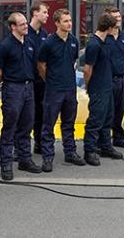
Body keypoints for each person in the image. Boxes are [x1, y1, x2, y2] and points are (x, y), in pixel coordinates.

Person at [0, 12, 43, 180]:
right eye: (21, 24)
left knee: (27, 126)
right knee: (10, 127)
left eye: (26, 23)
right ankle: (6, 163)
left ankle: (25, 159)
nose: (26, 26)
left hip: (29, 88)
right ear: (13, 27)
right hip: (13, 89)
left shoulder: (29, 42)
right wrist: (9, 80)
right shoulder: (6, 46)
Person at [37, 9, 87, 172]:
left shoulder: (73, 41)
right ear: (57, 23)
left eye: (70, 20)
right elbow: (41, 65)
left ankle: (70, 152)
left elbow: (72, 60)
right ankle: (48, 156)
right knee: (48, 124)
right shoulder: (49, 43)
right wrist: (50, 80)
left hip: (70, 89)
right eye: (65, 21)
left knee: (69, 123)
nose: (69, 23)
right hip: (54, 89)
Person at [83, 13, 124, 165]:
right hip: (98, 88)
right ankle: (90, 150)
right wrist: (89, 85)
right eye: (114, 28)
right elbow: (88, 69)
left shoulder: (105, 42)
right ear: (108, 28)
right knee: (96, 119)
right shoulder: (94, 44)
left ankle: (106, 146)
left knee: (108, 117)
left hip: (107, 86)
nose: (115, 31)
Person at [105, 7, 124, 148]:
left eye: (119, 17)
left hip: (121, 79)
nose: (117, 19)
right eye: (114, 17)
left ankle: (118, 137)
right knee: (106, 111)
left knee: (120, 108)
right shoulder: (103, 37)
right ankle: (102, 141)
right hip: (106, 80)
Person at [27, 0, 49, 155]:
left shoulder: (44, 34)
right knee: (25, 115)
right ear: (35, 13)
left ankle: (39, 143)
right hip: (27, 81)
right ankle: (19, 148)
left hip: (41, 80)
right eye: (44, 12)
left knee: (41, 112)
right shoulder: (24, 32)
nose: (47, 15)